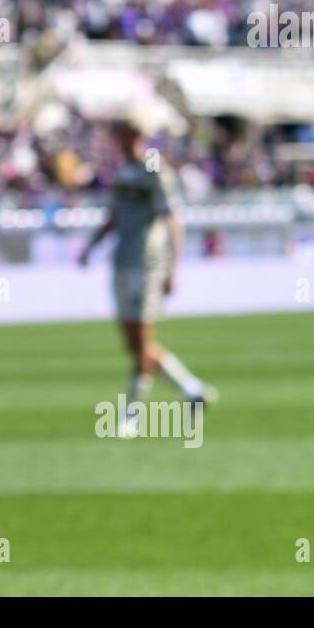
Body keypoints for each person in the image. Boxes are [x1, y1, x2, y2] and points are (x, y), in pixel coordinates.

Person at [79, 121, 216, 436]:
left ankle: (133, 414)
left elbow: (173, 219)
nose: (122, 141)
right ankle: (191, 390)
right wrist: (90, 247)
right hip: (122, 262)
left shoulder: (154, 169)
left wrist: (172, 267)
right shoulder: (121, 172)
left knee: (141, 341)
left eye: (127, 134)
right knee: (134, 344)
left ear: (139, 136)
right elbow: (113, 218)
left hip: (147, 263)